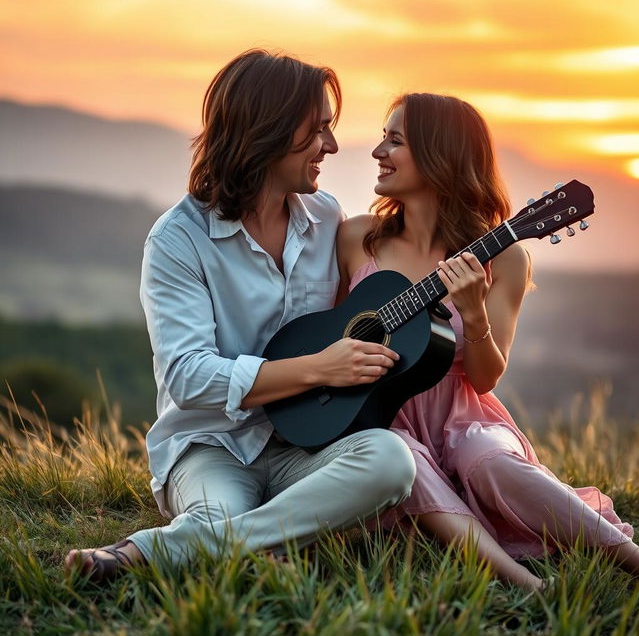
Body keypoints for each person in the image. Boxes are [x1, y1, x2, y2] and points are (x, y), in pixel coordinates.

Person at [65, 49, 416, 582]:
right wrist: (320, 368)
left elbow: (356, 309)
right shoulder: (178, 239)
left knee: (391, 461)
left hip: (305, 446)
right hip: (212, 444)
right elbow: (187, 375)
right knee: (219, 511)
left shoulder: (325, 218)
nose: (333, 146)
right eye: (318, 129)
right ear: (267, 131)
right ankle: (157, 552)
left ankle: (215, 545)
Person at [336, 93, 639, 591]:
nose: (377, 152)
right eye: (382, 138)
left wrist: (473, 309)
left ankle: (630, 556)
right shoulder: (357, 239)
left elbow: (484, 377)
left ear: (441, 156)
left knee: (489, 460)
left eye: (395, 141)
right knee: (402, 458)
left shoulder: (506, 258)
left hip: (463, 412)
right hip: (377, 413)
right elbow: (328, 332)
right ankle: (520, 580)